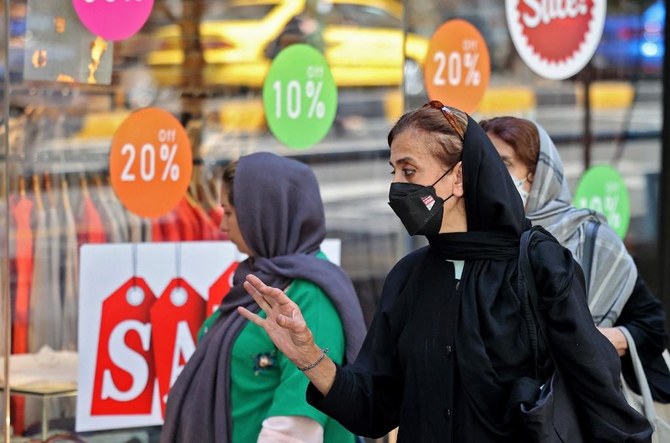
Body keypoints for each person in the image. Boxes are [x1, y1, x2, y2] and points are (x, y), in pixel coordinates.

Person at [238, 101, 653, 442]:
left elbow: (598, 394)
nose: (397, 187)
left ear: (456, 177)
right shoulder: (409, 278)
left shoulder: (540, 263)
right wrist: (309, 355)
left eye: (409, 170)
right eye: (394, 172)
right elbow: (374, 408)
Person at [160, 152, 366, 443]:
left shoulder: (312, 294)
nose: (222, 226)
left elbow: (296, 425)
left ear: (262, 213)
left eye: (229, 213)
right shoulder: (259, 281)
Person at [480, 116, 670, 402]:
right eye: (486, 164)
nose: (493, 175)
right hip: (499, 409)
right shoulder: (477, 239)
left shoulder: (590, 237)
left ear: (536, 174)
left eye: (504, 164)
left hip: (585, 409)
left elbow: (650, 325)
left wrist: (595, 342)